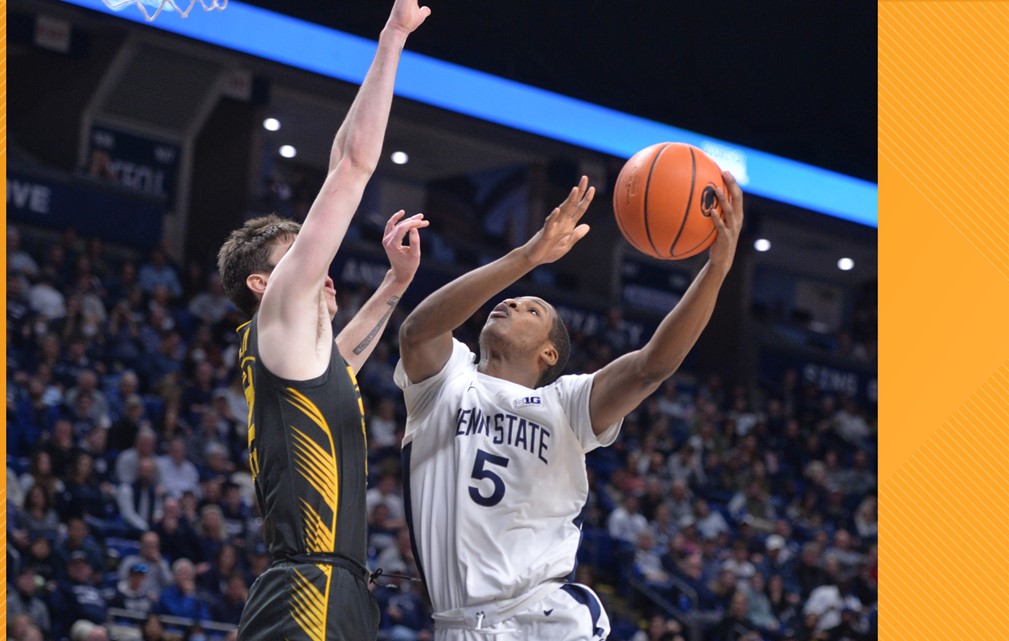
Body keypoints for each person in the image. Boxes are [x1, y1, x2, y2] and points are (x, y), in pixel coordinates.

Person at [396, 173, 744, 639]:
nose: (513, 301)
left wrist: (716, 270)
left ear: (549, 354)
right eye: (512, 299)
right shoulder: (446, 381)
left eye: (531, 310)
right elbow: (417, 331)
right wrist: (528, 256)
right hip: (457, 625)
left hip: (541, 618)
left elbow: (651, 367)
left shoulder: (567, 402)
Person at [214, 1, 431, 639]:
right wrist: (392, 38)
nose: (324, 269)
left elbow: (346, 355)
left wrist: (394, 283)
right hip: (308, 588)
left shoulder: (299, 355)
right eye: (299, 258)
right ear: (264, 283)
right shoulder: (279, 310)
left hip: (334, 586)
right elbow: (351, 165)